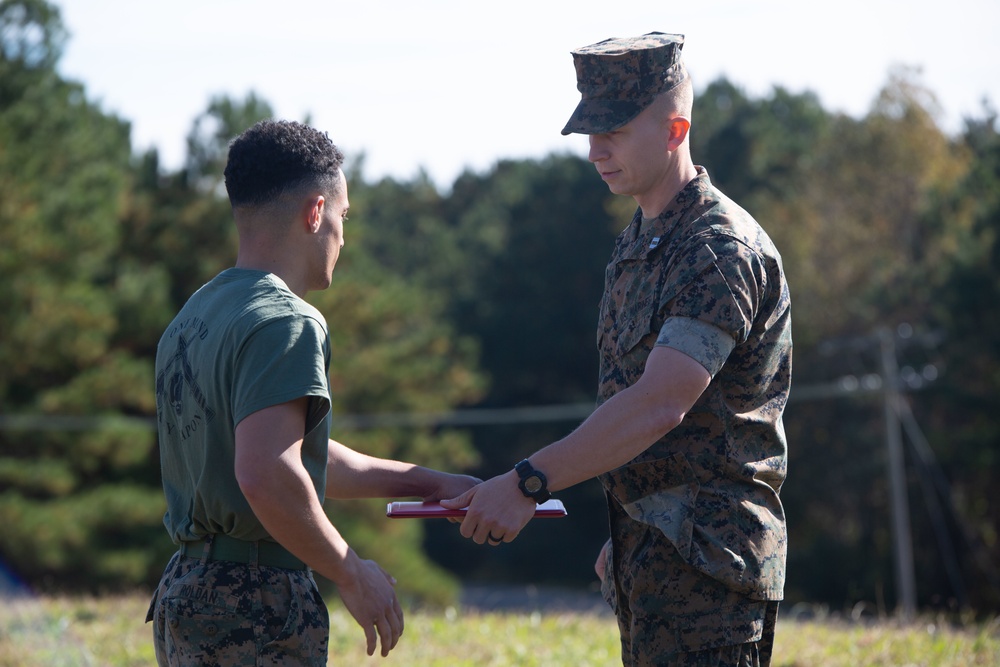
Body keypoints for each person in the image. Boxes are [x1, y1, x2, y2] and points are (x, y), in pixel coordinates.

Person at [442, 32, 791, 666]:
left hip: (711, 566)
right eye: (589, 133)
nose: (596, 149)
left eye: (616, 131)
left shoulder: (715, 250)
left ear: (674, 130)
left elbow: (659, 404)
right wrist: (634, 523)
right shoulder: (644, 240)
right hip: (654, 555)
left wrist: (526, 483)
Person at [146, 119, 480, 665]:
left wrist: (429, 483)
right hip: (254, 602)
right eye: (343, 217)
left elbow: (292, 456)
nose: (343, 236)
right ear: (315, 211)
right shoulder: (288, 321)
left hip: (188, 589)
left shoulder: (194, 316)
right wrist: (352, 571)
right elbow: (267, 473)